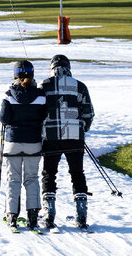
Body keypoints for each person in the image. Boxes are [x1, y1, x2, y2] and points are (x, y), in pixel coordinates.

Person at [40, 54, 95, 229]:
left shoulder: (44, 86)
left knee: (49, 174)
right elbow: (88, 113)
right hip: (75, 138)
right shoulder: (80, 86)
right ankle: (82, 215)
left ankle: (49, 214)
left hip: (51, 137)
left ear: (52, 68)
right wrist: (82, 128)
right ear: (68, 67)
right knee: (77, 173)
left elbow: (38, 112)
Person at [0, 60, 46, 231]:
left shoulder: (9, 95)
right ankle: (33, 217)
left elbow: (4, 119)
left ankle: (12, 216)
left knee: (13, 179)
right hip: (33, 142)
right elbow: (43, 117)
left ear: (15, 76)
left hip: (13, 142)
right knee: (32, 179)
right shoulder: (41, 95)